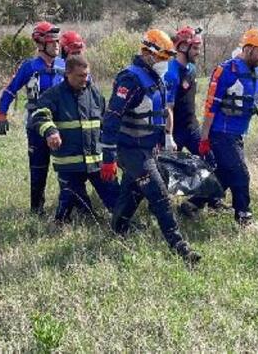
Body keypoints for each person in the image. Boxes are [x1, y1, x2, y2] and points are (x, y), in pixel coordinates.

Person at [100, 28, 201, 264]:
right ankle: (180, 248)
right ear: (148, 54)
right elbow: (112, 119)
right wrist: (108, 158)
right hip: (131, 149)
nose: (167, 62)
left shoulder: (156, 78)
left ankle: (117, 229)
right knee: (160, 196)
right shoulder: (130, 79)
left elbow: (163, 110)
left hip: (148, 147)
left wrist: (166, 136)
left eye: (168, 57)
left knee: (132, 193)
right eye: (163, 57)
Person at [198, 28, 258, 226]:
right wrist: (204, 138)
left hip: (238, 133)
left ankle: (192, 204)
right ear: (247, 49)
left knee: (225, 174)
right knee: (241, 174)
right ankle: (244, 216)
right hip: (220, 133)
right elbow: (210, 106)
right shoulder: (225, 71)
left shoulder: (257, 72)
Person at [28, 53, 120, 223]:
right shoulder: (54, 95)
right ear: (67, 74)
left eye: (86, 75)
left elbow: (106, 124)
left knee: (117, 201)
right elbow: (39, 115)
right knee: (72, 206)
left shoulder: (95, 94)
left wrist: (112, 155)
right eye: (80, 76)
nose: (85, 79)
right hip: (70, 164)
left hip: (97, 161)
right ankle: (59, 225)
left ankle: (125, 227)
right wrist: (50, 131)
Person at [0, 21, 65, 216]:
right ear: (40, 43)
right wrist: (1, 115)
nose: (57, 46)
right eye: (52, 42)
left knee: (68, 169)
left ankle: (68, 208)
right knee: (38, 169)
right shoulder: (29, 67)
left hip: (61, 125)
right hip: (36, 126)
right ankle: (37, 210)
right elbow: (10, 90)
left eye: (58, 42)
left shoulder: (63, 65)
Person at [162, 26, 222, 218]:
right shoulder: (171, 72)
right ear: (182, 48)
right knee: (164, 171)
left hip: (192, 127)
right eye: (195, 48)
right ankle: (160, 209)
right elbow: (167, 107)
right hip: (175, 131)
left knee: (212, 160)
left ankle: (203, 202)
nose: (198, 52)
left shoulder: (192, 68)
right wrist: (168, 136)